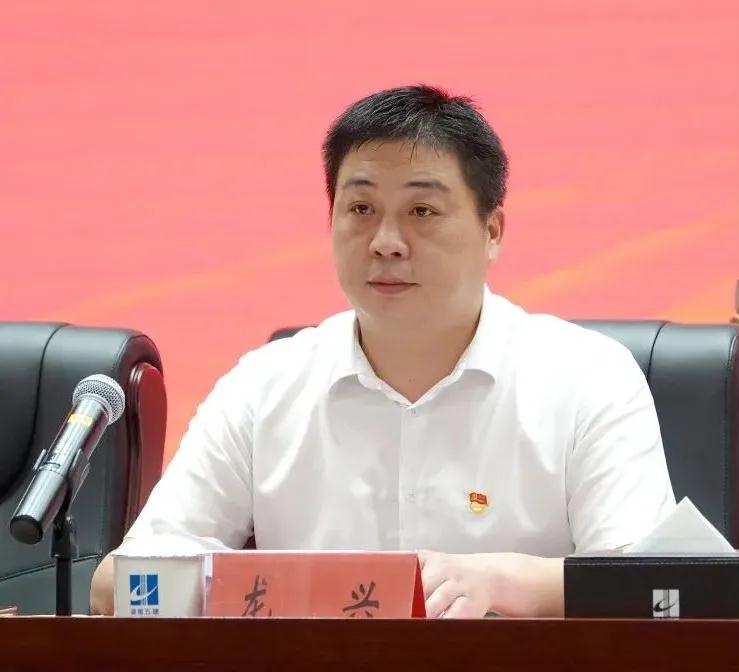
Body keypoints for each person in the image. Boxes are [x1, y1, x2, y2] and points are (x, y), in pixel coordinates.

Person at [91, 85, 675, 618]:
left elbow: (660, 591)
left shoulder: (587, 378)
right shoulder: (264, 387)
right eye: (361, 210)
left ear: (493, 230)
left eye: (422, 212)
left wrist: (500, 582)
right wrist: (279, 588)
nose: (386, 243)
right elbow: (118, 585)